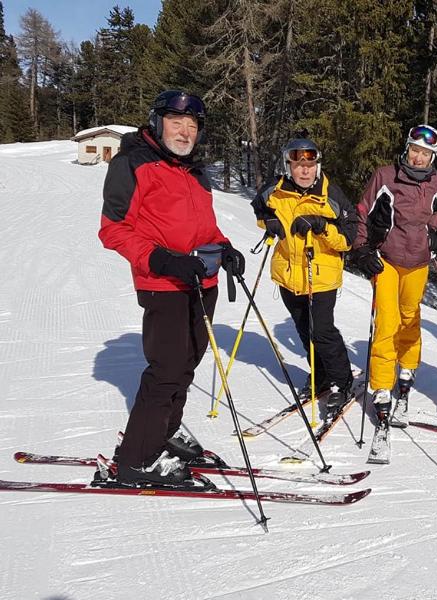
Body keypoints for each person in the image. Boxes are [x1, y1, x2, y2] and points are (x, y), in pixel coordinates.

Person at [99, 90, 245, 487]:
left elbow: (203, 228)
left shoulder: (194, 171)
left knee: (186, 364)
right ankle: (137, 459)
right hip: (163, 283)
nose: (185, 132)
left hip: (203, 282)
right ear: (157, 122)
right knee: (166, 370)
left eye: (192, 125)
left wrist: (225, 248)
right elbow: (113, 230)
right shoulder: (133, 162)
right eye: (176, 122)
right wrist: (163, 259)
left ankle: (164, 432)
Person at [251, 137, 357, 409]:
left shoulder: (330, 194)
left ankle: (341, 381)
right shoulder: (274, 189)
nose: (305, 171)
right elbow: (258, 206)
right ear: (288, 167)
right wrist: (269, 220)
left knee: (322, 331)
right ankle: (320, 375)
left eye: (310, 165)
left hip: (321, 275)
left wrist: (322, 226)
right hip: (288, 274)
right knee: (303, 329)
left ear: (317, 166)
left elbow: (349, 238)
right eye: (298, 165)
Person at [351, 124, 437, 424]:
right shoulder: (385, 176)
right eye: (415, 150)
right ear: (407, 148)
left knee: (409, 316)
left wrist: (432, 233)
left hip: (418, 261)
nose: (418, 157)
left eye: (425, 153)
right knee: (387, 322)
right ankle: (381, 386)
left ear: (432, 157)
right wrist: (361, 248)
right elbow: (362, 211)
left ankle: (407, 367)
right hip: (387, 259)